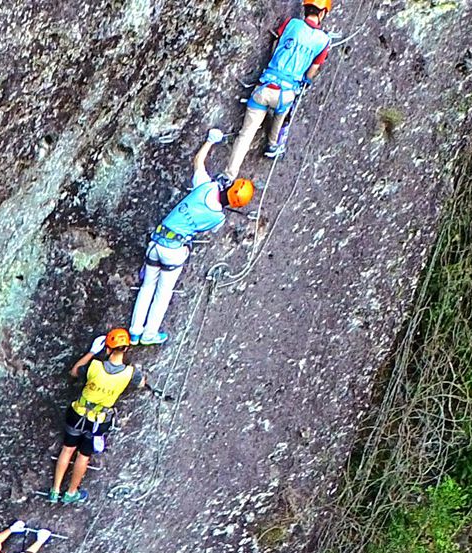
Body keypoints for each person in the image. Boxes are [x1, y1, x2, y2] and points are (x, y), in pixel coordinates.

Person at [129, 133, 255, 346]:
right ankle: (149, 334)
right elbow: (209, 229)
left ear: (229, 186)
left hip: (157, 241)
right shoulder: (218, 218)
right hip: (176, 250)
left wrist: (210, 141)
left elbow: (198, 161)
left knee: (147, 287)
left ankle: (134, 331)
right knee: (163, 292)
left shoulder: (204, 186)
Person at [226, 0, 333, 177]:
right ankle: (273, 145)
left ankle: (229, 175)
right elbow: (313, 69)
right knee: (281, 116)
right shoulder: (324, 41)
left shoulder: (292, 23)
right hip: (286, 93)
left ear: (305, 9)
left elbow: (277, 42)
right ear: (322, 13)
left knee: (245, 135)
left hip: (265, 86)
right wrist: (306, 80)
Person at [51, 332, 143, 505]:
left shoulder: (94, 366)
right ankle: (71, 492)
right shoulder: (130, 373)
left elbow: (74, 372)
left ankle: (55, 490)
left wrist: (91, 352)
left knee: (67, 449)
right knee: (83, 456)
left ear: (107, 349)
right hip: (98, 421)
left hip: (78, 413)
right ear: (127, 349)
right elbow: (141, 383)